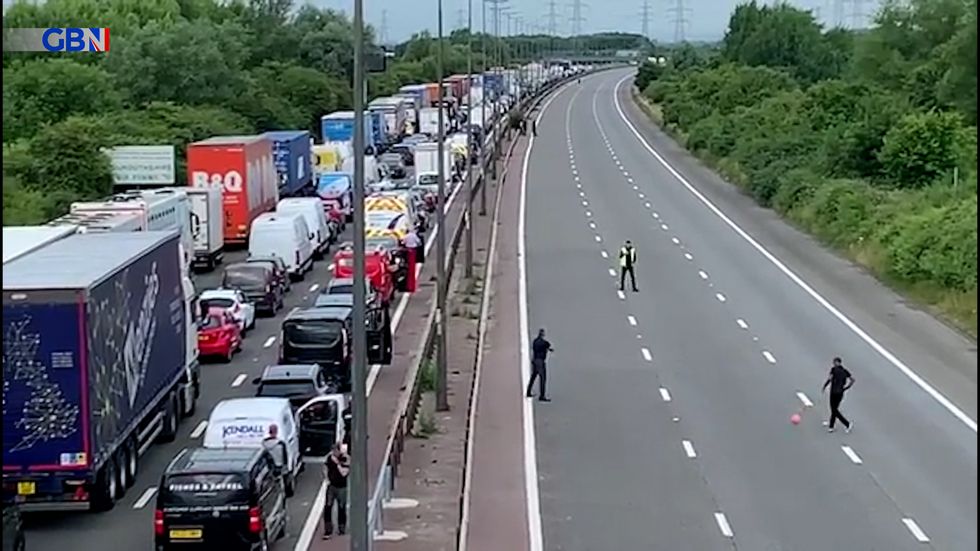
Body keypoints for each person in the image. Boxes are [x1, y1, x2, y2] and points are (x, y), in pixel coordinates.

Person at [322, 443, 350, 539]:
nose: (333, 453)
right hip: (332, 486)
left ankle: (342, 528)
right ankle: (328, 529)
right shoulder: (329, 458)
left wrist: (337, 463)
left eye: (335, 451)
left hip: (341, 487)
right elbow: (325, 466)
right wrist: (326, 477)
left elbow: (344, 473)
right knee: (328, 507)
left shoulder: (345, 459)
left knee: (341, 508)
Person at [821, 357, 855, 433]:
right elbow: (852, 380)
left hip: (833, 392)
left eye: (835, 362)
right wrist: (846, 388)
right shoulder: (845, 371)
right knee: (834, 409)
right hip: (840, 393)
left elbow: (830, 378)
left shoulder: (833, 370)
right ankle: (831, 426)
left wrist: (825, 386)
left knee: (834, 410)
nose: (834, 364)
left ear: (838, 362)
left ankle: (847, 423)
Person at [525, 328, 553, 402]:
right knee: (543, 378)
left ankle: (528, 392)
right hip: (540, 362)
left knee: (533, 377)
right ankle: (542, 395)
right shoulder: (543, 343)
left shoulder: (535, 341)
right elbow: (548, 344)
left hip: (535, 360)